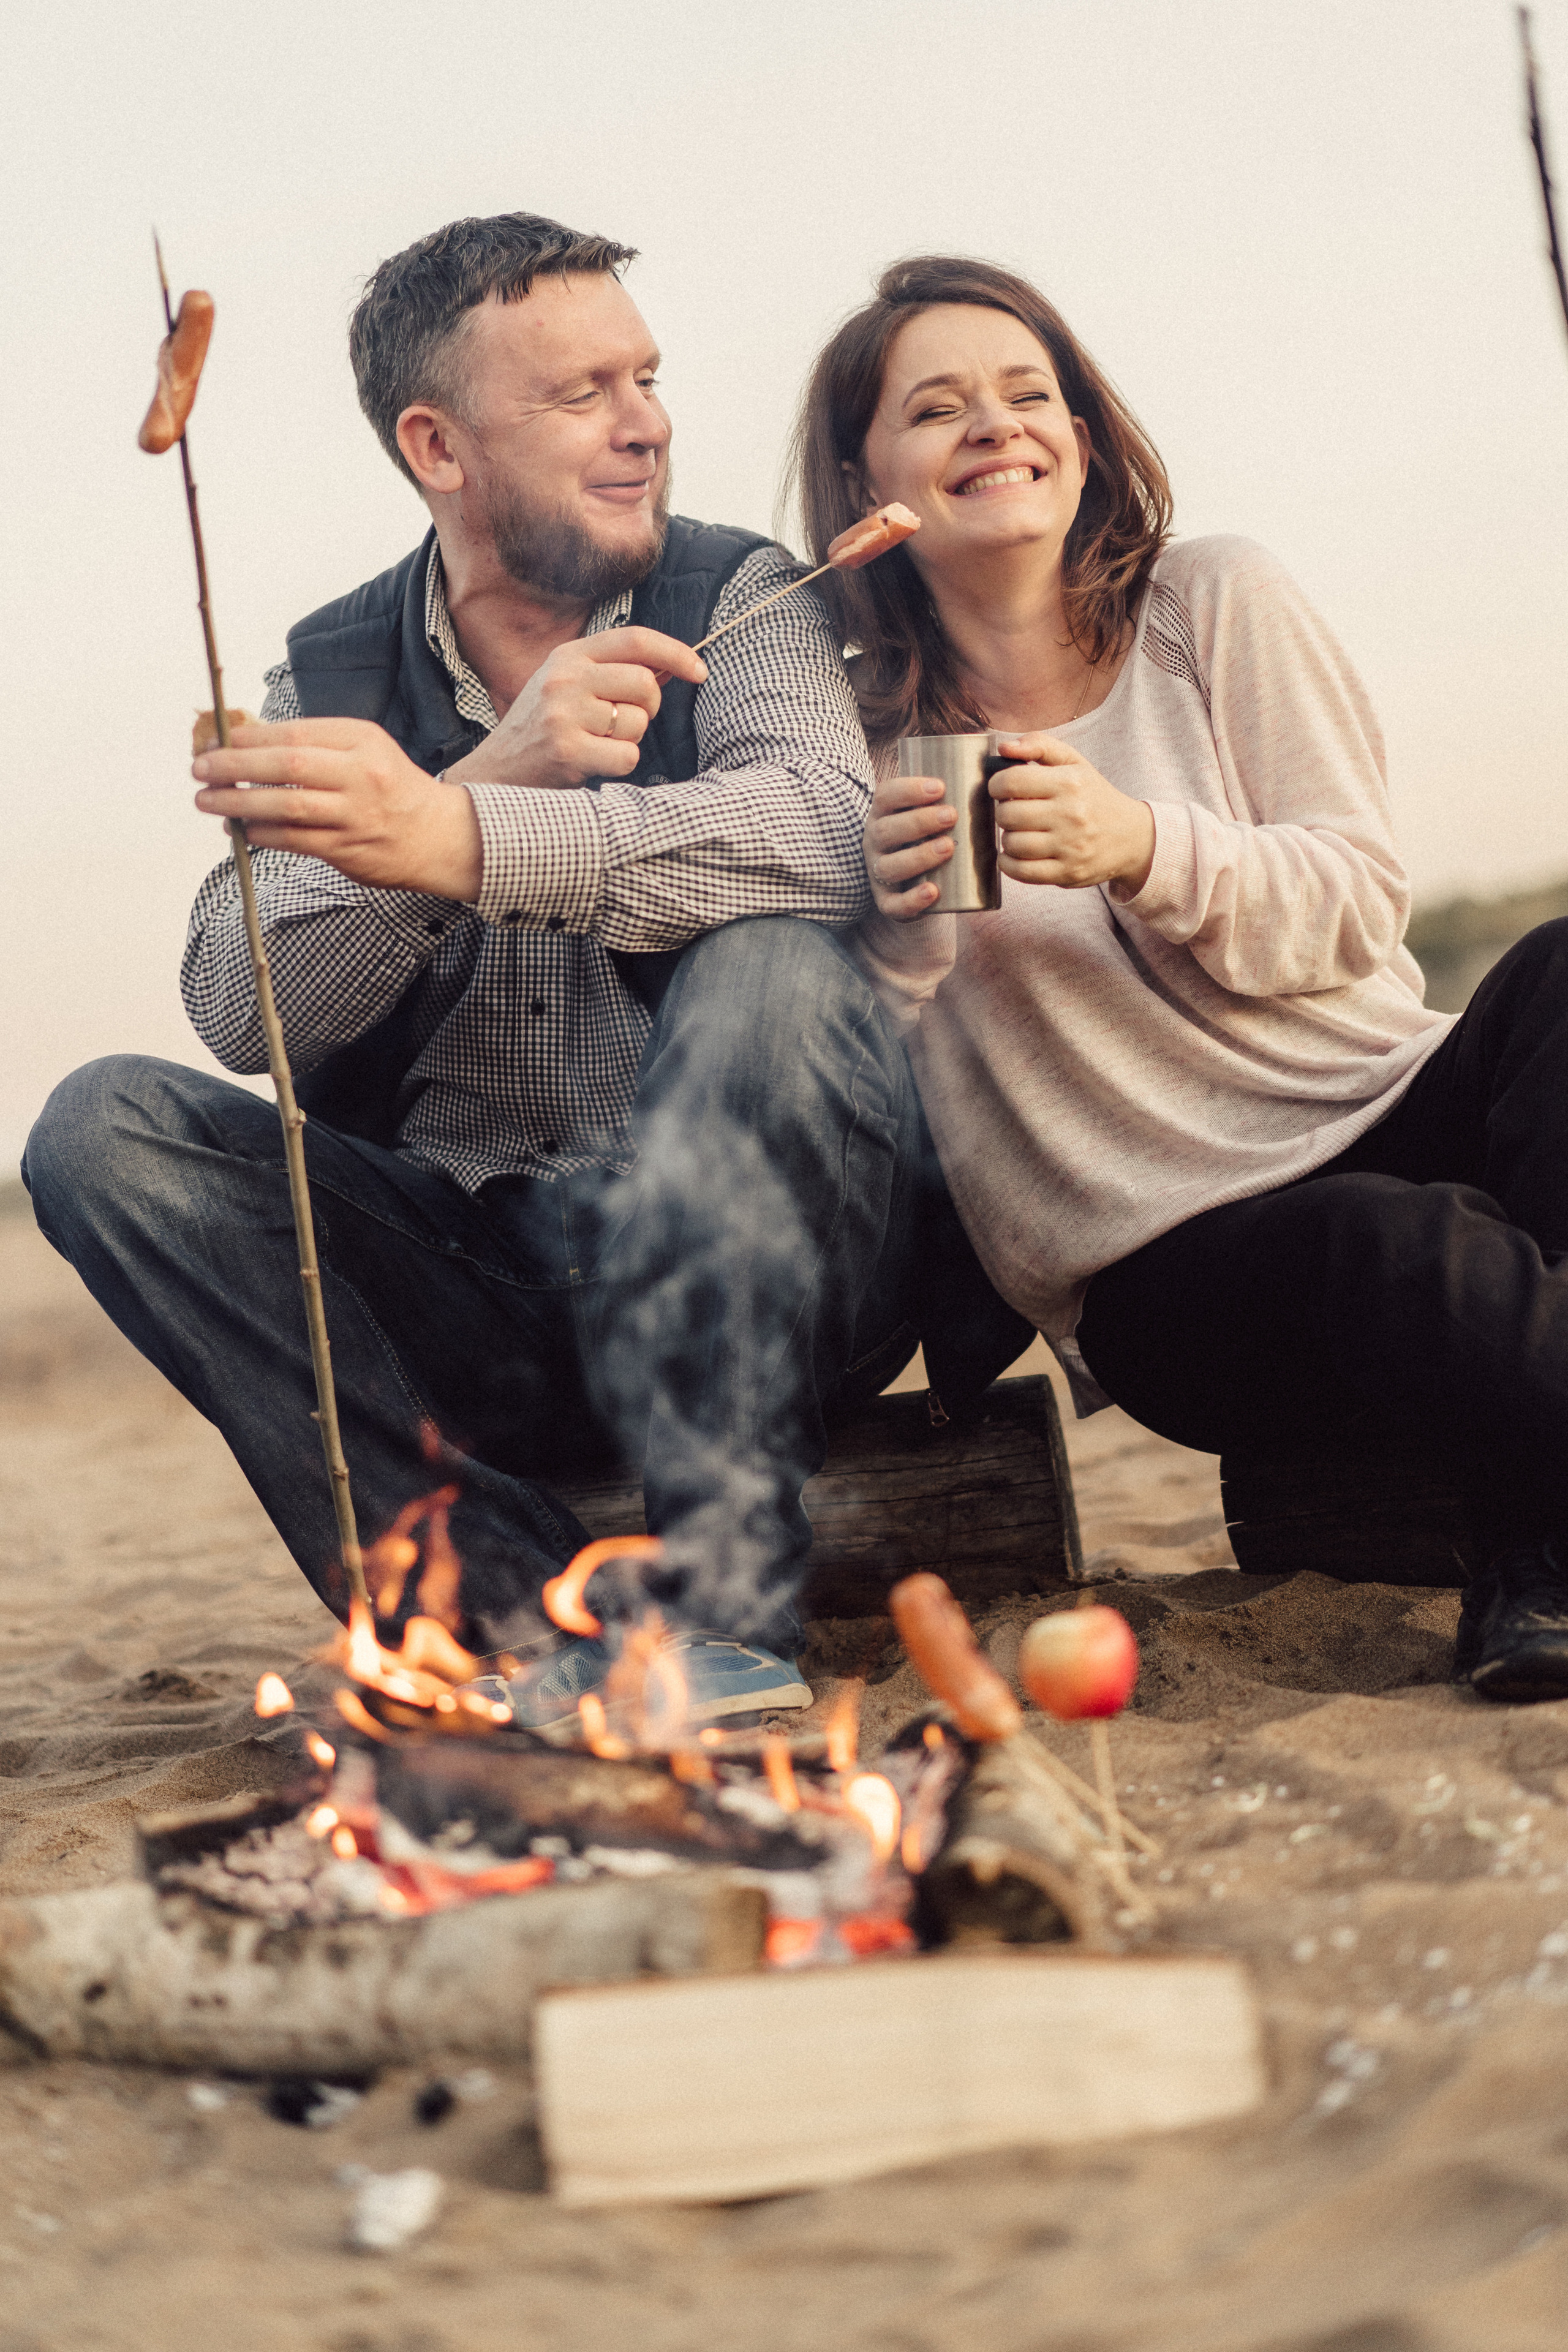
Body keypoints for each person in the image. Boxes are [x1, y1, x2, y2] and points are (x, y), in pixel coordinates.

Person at [23, 214, 1019, 1727]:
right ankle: (495, 1608)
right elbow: (241, 1009)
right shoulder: (329, 677)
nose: (646, 427)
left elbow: (825, 835)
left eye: (646, 377)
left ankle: (725, 1616)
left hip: (771, 1268)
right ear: (437, 445)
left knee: (770, 968)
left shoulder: (743, 596)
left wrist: (461, 835)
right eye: (580, 396)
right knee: (101, 1131)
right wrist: (497, 773)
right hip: (473, 1276)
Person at [792, 252, 1568, 1704]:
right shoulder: (841, 732)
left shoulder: (1214, 600)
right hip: (1158, 1250)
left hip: (1374, 1095)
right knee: (1399, 1244)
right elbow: (831, 1085)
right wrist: (894, 955)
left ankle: (1536, 1555)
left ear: (1082, 436)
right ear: (864, 481)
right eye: (937, 407)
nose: (995, 426)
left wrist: (1139, 844)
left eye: (1030, 393)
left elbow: (1353, 912)